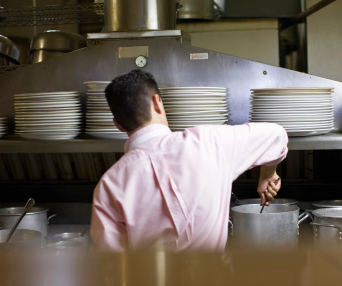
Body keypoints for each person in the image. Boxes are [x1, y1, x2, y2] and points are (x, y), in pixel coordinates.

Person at [90, 69, 288, 252]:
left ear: (117, 125)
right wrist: (267, 174)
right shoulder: (210, 142)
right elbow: (277, 135)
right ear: (158, 102)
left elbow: (114, 263)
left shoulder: (109, 185)